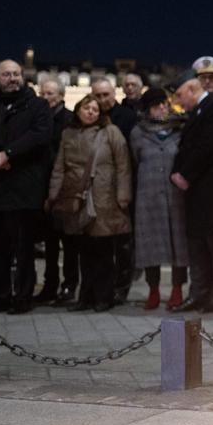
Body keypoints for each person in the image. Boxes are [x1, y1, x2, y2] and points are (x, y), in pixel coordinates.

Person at [0, 60, 51, 314]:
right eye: (6, 74)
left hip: (22, 187)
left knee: (23, 247)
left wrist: (8, 155)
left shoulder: (37, 106)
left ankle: (23, 296)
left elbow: (40, 135)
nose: (12, 78)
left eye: (16, 73)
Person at [47, 94, 131, 312]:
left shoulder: (110, 132)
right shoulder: (68, 133)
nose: (91, 112)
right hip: (75, 197)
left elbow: (123, 165)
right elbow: (59, 167)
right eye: (87, 108)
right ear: (78, 110)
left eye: (95, 109)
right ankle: (85, 297)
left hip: (104, 197)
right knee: (82, 250)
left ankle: (104, 297)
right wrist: (53, 195)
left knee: (103, 250)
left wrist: (123, 195)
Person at [170, 59, 213, 313]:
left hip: (212, 192)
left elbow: (209, 147)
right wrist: (177, 171)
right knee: (197, 245)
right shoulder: (196, 113)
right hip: (195, 194)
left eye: (179, 95)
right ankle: (199, 293)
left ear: (191, 90)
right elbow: (185, 148)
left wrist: (185, 173)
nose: (178, 101)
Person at [129, 87, 189, 311]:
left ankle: (177, 289)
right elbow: (135, 160)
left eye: (164, 103)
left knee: (179, 245)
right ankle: (153, 290)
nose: (162, 108)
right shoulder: (137, 133)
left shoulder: (180, 129)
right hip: (149, 196)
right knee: (150, 246)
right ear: (147, 110)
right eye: (156, 105)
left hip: (176, 196)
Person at [92, 78, 136, 303]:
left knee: (122, 245)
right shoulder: (91, 118)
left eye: (105, 95)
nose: (102, 100)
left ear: (113, 93)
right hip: (98, 193)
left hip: (120, 190)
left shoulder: (127, 117)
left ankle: (121, 287)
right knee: (101, 245)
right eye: (97, 96)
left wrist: (124, 192)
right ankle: (103, 288)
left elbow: (128, 160)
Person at [35, 78, 79, 304]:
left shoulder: (70, 119)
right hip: (42, 188)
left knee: (69, 242)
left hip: (65, 188)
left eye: (50, 93)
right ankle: (50, 285)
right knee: (49, 242)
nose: (45, 97)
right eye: (42, 93)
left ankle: (69, 285)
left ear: (61, 95)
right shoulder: (36, 119)